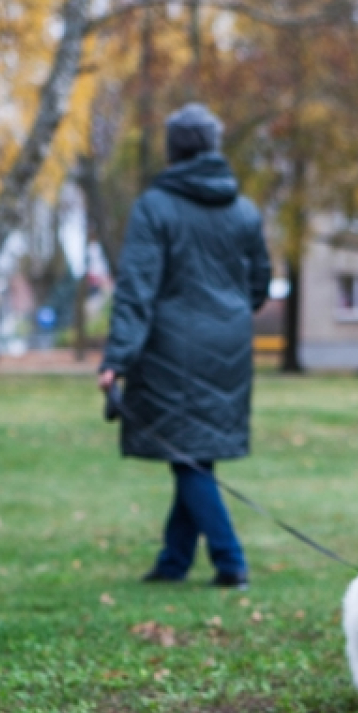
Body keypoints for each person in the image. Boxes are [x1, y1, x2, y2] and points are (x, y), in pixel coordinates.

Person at [98, 103, 271, 589]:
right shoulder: (245, 210)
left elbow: (137, 288)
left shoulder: (155, 207)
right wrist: (228, 314)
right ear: (213, 148)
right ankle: (173, 561)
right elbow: (260, 284)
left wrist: (116, 359)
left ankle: (230, 560)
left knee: (189, 456)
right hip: (230, 347)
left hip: (171, 349)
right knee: (195, 454)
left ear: (173, 150)